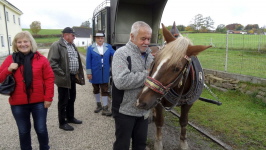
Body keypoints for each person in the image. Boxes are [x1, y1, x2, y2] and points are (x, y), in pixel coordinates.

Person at [0, 31, 54, 150]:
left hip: (39, 102)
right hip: (18, 103)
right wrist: (9, 69)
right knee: (23, 131)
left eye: (25, 41)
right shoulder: (10, 59)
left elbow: (49, 79)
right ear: (15, 44)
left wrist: (48, 98)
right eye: (19, 42)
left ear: (31, 43)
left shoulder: (41, 59)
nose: (23, 44)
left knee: (41, 129)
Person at [111, 21, 154, 150]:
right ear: (132, 36)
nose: (147, 42)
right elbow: (121, 81)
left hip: (143, 110)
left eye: (148, 39)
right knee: (122, 145)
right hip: (125, 110)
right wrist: (147, 75)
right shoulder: (121, 54)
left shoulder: (149, 55)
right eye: (143, 39)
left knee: (140, 145)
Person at [47, 27, 85, 131]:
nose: (74, 37)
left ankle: (70, 117)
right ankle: (62, 122)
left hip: (72, 77)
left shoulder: (72, 45)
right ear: (66, 35)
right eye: (73, 35)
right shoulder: (57, 45)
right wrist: (63, 74)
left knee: (72, 98)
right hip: (64, 78)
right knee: (63, 100)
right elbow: (51, 62)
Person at [86, 31, 115, 116]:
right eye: (98, 38)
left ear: (104, 39)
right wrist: (89, 72)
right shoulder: (90, 48)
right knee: (96, 89)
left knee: (105, 90)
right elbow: (88, 61)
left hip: (105, 72)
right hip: (94, 72)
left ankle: (105, 107)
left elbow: (116, 54)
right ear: (95, 38)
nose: (100, 39)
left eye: (101, 38)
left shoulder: (108, 47)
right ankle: (98, 105)